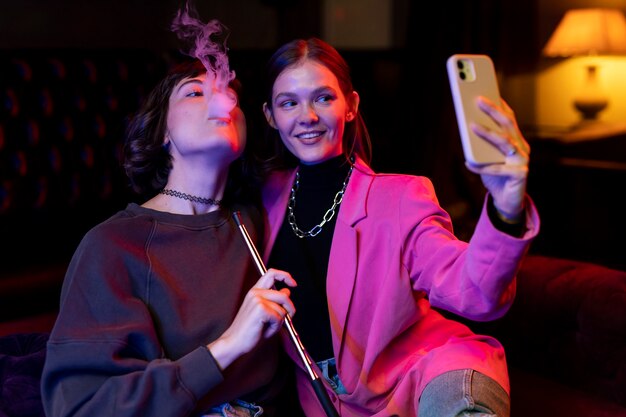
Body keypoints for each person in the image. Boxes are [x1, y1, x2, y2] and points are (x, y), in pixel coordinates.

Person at [256, 38, 540, 417]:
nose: (307, 116)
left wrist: (506, 208)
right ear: (270, 115)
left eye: (323, 98)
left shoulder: (402, 197)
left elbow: (475, 294)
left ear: (351, 106)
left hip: (429, 374)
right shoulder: (261, 199)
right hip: (328, 400)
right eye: (289, 102)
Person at [40, 57, 299, 417]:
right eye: (195, 92)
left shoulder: (260, 221)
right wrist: (229, 345)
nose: (222, 102)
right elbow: (82, 408)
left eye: (231, 97)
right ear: (162, 131)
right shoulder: (114, 245)